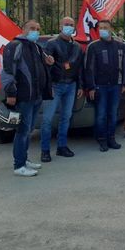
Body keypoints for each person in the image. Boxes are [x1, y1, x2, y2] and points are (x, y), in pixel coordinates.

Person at [1, 19, 54, 176]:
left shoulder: (36, 47)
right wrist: (11, 93)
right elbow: (8, 71)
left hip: (35, 96)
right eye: (32, 28)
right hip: (23, 96)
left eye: (37, 28)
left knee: (28, 130)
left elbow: (40, 67)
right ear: (23, 29)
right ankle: (19, 165)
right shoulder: (14, 46)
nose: (35, 31)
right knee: (22, 131)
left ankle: (24, 159)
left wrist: (48, 62)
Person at [40, 17, 83, 162]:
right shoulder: (52, 44)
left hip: (71, 86)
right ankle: (45, 150)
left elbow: (79, 68)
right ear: (60, 27)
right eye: (66, 25)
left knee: (66, 118)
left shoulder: (77, 46)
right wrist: (48, 64)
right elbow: (44, 64)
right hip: (55, 86)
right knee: (47, 119)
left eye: (71, 25)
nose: (69, 27)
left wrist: (81, 85)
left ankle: (62, 146)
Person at [85, 20, 125, 152]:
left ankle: (111, 138)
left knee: (113, 114)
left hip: (116, 85)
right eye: (101, 28)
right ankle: (102, 140)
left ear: (111, 29)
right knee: (101, 114)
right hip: (100, 86)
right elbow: (89, 69)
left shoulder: (121, 46)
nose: (103, 29)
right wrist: (91, 87)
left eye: (105, 27)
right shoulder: (94, 46)